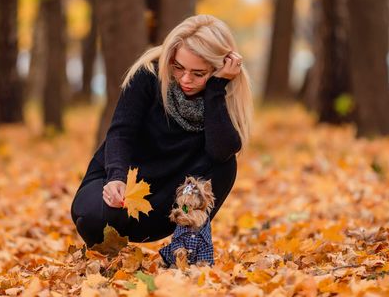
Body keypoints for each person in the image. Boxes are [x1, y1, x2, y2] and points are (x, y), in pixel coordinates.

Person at [71, 14, 253, 247]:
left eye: (199, 73)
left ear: (219, 69)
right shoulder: (148, 76)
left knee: (226, 163)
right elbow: (121, 132)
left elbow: (221, 152)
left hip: (171, 203)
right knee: (93, 218)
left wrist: (215, 90)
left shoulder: (222, 94)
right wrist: (116, 177)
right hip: (123, 187)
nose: (185, 79)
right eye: (178, 67)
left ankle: (187, 244)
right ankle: (107, 255)